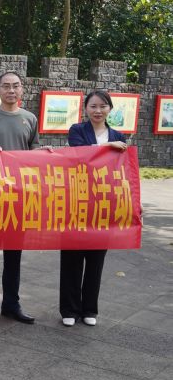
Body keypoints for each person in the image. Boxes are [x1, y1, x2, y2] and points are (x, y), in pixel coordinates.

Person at [0, 70, 44, 324]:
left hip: (18, 197)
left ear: (22, 89)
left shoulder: (30, 118)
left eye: (15, 86)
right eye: (6, 86)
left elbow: (34, 149)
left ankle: (12, 304)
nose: (11, 90)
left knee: (14, 255)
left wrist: (44, 153)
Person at [60, 90, 128, 327]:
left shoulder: (119, 135)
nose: (98, 111)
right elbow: (81, 156)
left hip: (104, 203)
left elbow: (123, 172)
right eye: (93, 106)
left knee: (96, 259)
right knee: (71, 258)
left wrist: (132, 202)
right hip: (76, 200)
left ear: (110, 109)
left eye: (103, 106)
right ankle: (69, 309)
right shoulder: (77, 130)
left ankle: (90, 309)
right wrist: (109, 146)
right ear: (86, 108)